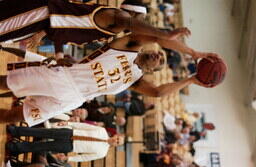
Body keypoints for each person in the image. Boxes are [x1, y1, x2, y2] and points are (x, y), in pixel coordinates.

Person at [0, 28, 221, 126]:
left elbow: (158, 92)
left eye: (160, 61)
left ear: (153, 71)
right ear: (148, 49)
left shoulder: (136, 79)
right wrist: (194, 53)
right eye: (158, 53)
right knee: (3, 84)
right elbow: (156, 37)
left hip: (71, 100)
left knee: (13, 117)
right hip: (64, 78)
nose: (157, 56)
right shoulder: (127, 46)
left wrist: (191, 80)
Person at [0, 0, 185, 59]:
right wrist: (165, 33)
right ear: (130, 13)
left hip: (43, 21)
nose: (141, 25)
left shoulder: (110, 30)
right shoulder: (115, 17)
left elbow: (63, 30)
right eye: (141, 20)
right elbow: (132, 24)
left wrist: (58, 55)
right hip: (40, 13)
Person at [6, 123, 125, 162]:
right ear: (116, 135)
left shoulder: (102, 152)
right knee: (42, 132)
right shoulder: (102, 130)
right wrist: (68, 124)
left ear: (116, 145)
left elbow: (85, 158)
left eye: (118, 142)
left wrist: (69, 159)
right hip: (70, 133)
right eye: (117, 138)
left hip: (70, 146)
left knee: (43, 146)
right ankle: (16, 131)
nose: (116, 140)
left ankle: (16, 147)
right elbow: (83, 125)